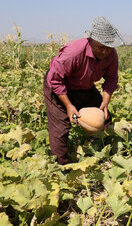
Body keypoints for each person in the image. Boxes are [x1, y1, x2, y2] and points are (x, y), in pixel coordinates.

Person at [43, 16, 123, 165]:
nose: (105, 51)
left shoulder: (111, 55)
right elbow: (55, 80)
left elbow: (111, 79)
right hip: (59, 86)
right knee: (61, 129)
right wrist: (69, 105)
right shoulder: (73, 52)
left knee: (105, 119)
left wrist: (105, 102)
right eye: (101, 47)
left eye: (108, 47)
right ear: (91, 40)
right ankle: (61, 168)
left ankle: (98, 154)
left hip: (84, 86)